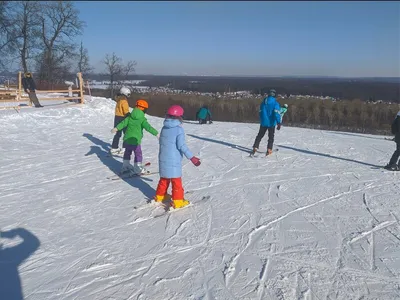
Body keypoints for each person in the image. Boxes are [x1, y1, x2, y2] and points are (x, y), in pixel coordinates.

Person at [154, 105, 201, 209]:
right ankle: (178, 201)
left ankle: (160, 196)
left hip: (163, 157)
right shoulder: (178, 130)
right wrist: (192, 157)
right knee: (176, 181)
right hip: (173, 159)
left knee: (164, 179)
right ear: (179, 117)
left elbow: (161, 142)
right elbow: (181, 146)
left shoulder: (164, 128)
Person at [111, 99, 159, 175]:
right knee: (138, 154)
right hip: (135, 141)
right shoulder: (142, 119)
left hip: (127, 140)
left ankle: (125, 166)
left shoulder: (130, 117)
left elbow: (123, 123)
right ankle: (137, 168)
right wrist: (157, 134)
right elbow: (148, 127)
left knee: (127, 152)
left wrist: (116, 128)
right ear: (144, 109)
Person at [251, 89, 282, 156]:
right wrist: (278, 122)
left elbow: (260, 112)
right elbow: (277, 113)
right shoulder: (275, 103)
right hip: (271, 123)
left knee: (260, 135)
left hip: (263, 122)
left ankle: (255, 147)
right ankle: (269, 149)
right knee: (271, 137)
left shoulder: (264, 102)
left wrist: (262, 119)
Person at [110, 87, 131, 155]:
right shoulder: (124, 101)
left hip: (117, 117)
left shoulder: (119, 99)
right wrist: (130, 116)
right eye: (128, 94)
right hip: (123, 118)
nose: (128, 96)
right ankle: (125, 148)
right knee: (126, 133)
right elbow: (126, 111)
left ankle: (114, 147)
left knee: (118, 133)